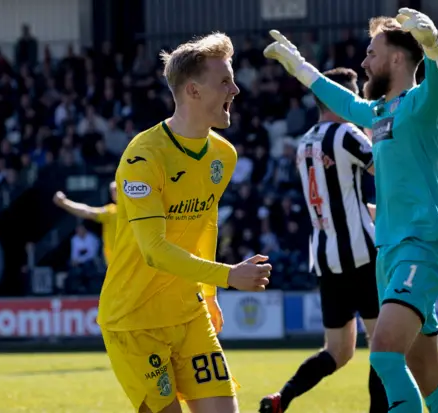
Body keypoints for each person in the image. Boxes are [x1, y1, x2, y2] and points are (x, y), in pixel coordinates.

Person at [263, 8, 438, 413]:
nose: (363, 62)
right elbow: (338, 96)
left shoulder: (420, 105)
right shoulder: (377, 114)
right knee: (430, 379)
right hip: (389, 255)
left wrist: (433, 45)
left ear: (396, 59)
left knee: (383, 355)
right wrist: (299, 66)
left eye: (371, 53)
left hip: (421, 249)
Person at [97, 32, 273, 413]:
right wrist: (227, 275)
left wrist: (208, 295)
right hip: (134, 320)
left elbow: (205, 222)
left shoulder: (223, 156)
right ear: (193, 91)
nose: (236, 89)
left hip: (189, 313)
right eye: (224, 81)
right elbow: (155, 252)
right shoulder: (142, 157)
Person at [259, 68, 387, 413]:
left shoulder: (304, 143)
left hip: (326, 259)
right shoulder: (347, 133)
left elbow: (339, 200)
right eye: (354, 94)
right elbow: (385, 165)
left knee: (337, 351)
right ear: (340, 97)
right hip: (361, 255)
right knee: (383, 344)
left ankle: (281, 398)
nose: (358, 101)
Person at [53, 181, 118, 264]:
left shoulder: (122, 211)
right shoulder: (110, 212)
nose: (114, 192)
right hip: (116, 265)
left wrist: (64, 203)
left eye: (116, 189)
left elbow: (87, 211)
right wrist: (64, 203)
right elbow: (87, 211)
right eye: (112, 190)